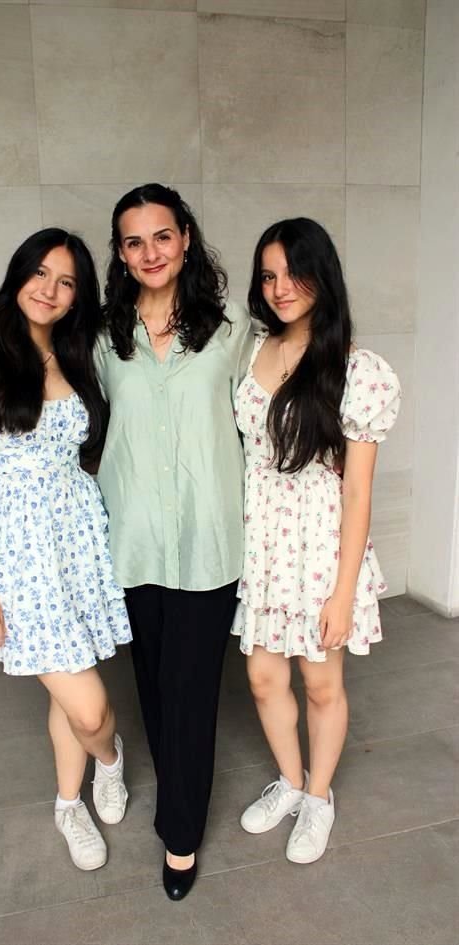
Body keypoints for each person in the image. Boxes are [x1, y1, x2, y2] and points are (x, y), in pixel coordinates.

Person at [0, 228, 132, 873]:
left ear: (78, 297)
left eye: (66, 282)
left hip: (80, 548)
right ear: (17, 277)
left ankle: (69, 803)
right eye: (40, 273)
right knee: (89, 705)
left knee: (66, 695)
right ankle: (110, 760)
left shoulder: (81, 359)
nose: (50, 289)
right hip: (15, 562)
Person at [95, 183, 253, 899]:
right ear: (121, 254)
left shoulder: (231, 331)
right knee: (155, 686)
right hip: (133, 540)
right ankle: (174, 782)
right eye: (134, 241)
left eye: (162, 235)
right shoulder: (101, 338)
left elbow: (272, 405)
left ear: (186, 237)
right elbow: (61, 413)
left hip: (208, 540)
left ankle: (180, 836)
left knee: (190, 692)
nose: (150, 252)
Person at [232, 218, 401, 864]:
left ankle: (319, 798)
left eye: (293, 273)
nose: (280, 288)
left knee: (321, 682)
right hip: (263, 545)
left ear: (321, 276)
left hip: (319, 547)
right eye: (268, 275)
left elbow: (357, 492)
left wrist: (343, 589)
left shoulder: (357, 369)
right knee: (262, 675)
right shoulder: (250, 349)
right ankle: (292, 780)